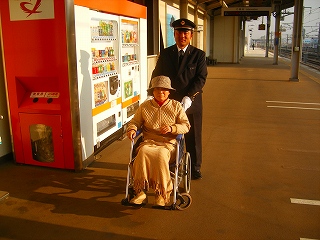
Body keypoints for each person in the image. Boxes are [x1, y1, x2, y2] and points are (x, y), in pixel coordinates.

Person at [151, 18, 207, 180]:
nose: (182, 36)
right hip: (169, 103)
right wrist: (152, 92)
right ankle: (170, 163)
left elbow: (200, 78)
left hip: (191, 103)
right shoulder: (166, 53)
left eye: (186, 33)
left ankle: (195, 167)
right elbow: (157, 74)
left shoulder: (198, 55)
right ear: (174, 34)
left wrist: (189, 97)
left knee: (193, 135)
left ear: (191, 36)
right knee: (169, 135)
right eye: (179, 32)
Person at [126, 76, 190, 207]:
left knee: (160, 155)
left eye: (164, 90)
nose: (161, 92)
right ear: (153, 91)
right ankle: (140, 192)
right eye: (157, 89)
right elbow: (135, 122)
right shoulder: (145, 106)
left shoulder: (176, 106)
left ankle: (161, 193)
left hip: (169, 143)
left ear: (169, 92)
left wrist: (172, 128)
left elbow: (186, 125)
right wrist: (132, 129)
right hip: (149, 141)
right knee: (142, 152)